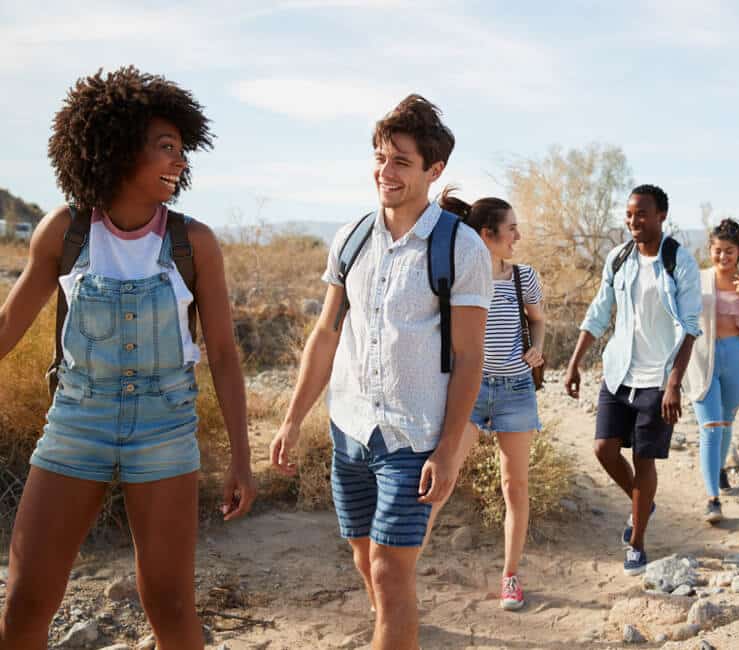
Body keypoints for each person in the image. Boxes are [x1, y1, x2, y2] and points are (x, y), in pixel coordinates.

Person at [0, 67, 256, 650]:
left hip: (165, 430)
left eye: (184, 150)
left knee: (168, 604)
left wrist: (242, 458)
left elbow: (222, 353)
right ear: (117, 147)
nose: (181, 162)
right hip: (76, 424)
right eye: (167, 147)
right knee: (24, 603)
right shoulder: (63, 232)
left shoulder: (196, 244)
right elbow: (8, 327)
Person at [269, 95, 492, 650]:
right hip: (350, 427)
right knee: (365, 558)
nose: (384, 172)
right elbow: (325, 333)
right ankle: (397, 627)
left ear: (433, 170)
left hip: (413, 437)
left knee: (393, 572)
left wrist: (446, 451)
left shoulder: (459, 248)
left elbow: (470, 357)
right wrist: (293, 419)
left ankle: (395, 627)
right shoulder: (352, 237)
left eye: (400, 161)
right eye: (379, 156)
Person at [564, 184, 701, 577]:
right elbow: (598, 312)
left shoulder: (679, 262)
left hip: (658, 379)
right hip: (618, 371)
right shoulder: (619, 258)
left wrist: (674, 382)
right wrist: (575, 362)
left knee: (644, 461)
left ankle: (637, 542)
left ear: (661, 216)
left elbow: (691, 327)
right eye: (628, 214)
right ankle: (645, 503)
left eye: (642, 214)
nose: (633, 221)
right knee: (604, 449)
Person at [425, 187, 545, 610]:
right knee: (443, 477)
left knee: (515, 486)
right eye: (511, 229)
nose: (518, 237)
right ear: (486, 234)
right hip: (469, 392)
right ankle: (403, 568)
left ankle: (510, 577)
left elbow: (538, 320)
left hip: (515, 391)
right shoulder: (460, 274)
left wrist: (538, 348)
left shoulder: (523, 276)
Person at [683, 219, 739, 523]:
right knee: (710, 427)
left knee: (727, 421)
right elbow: (682, 316)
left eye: (729, 251)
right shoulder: (698, 279)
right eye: (718, 251)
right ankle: (712, 499)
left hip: (736, 356)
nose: (723, 257)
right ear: (710, 250)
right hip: (702, 358)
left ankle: (719, 469)